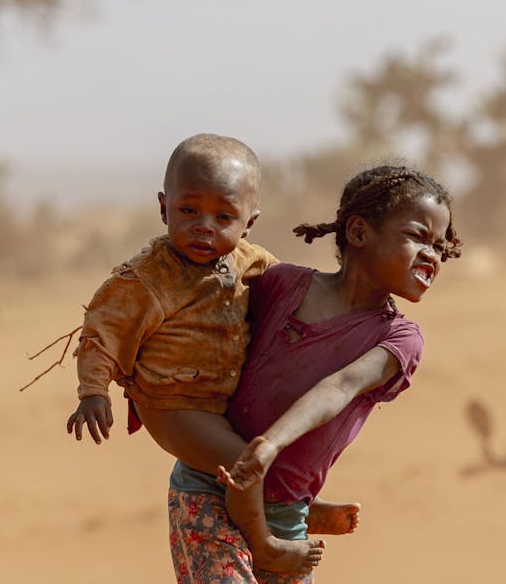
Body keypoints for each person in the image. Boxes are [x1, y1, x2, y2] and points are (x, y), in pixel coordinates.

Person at [170, 159, 462, 582]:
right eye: (418, 237)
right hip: (209, 484)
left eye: (440, 246)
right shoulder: (280, 284)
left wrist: (269, 445)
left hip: (284, 511)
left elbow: (341, 386)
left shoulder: (399, 340)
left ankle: (308, 507)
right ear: (359, 233)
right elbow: (206, 320)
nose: (431, 255)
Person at [62, 133, 322, 574]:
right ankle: (268, 544)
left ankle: (295, 505)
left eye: (224, 216)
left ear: (249, 222)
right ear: (164, 207)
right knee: (248, 462)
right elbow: (101, 331)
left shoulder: (251, 261)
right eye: (188, 210)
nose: (204, 225)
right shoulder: (146, 278)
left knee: (270, 449)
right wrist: (94, 393)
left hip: (223, 403)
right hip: (173, 404)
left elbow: (296, 290)